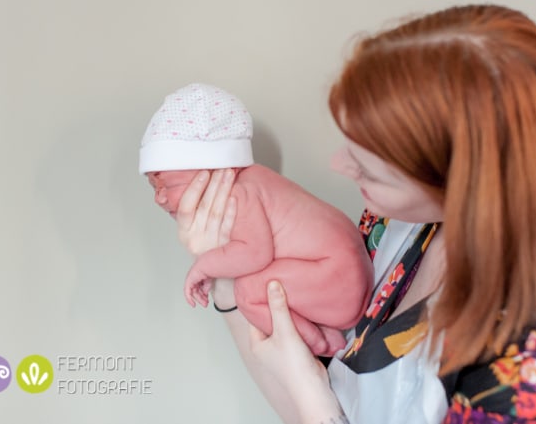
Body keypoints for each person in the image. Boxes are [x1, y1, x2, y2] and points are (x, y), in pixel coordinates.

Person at [166, 5, 536, 423]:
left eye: (370, 170)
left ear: (465, 185)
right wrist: (227, 282)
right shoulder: (396, 228)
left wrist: (314, 406)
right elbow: (300, 375)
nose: (337, 166)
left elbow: (313, 399)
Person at [140, 83, 373, 356]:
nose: (159, 198)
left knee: (249, 293)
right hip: (348, 274)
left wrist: (204, 266)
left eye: (167, 186)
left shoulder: (237, 194)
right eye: (153, 188)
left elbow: (254, 253)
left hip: (338, 280)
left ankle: (317, 343)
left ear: (209, 171)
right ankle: (325, 331)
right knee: (263, 281)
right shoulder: (257, 178)